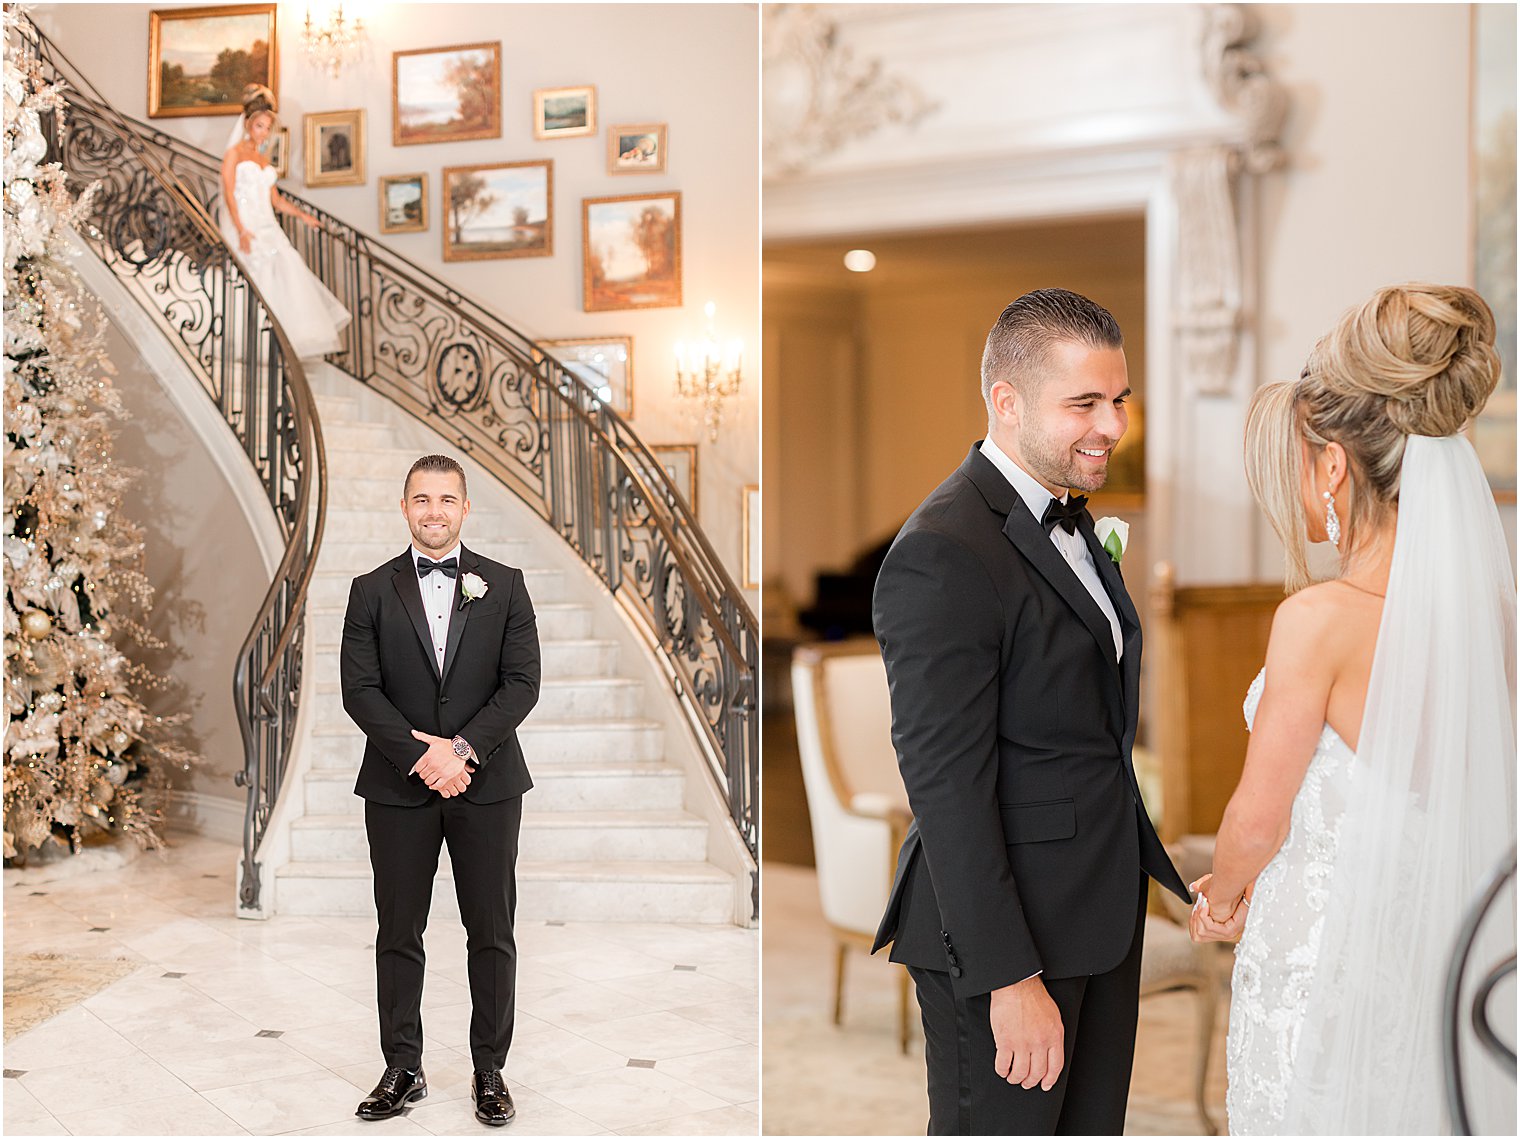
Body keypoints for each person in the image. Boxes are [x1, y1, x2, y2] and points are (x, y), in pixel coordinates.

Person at [1190, 283, 1515, 1135]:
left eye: (1300, 464)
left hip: (1327, 951)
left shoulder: (1319, 622)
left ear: (1335, 463)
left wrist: (1221, 897)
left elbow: (1256, 818)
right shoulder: (1493, 620)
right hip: (1447, 936)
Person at [871, 288, 1191, 1135]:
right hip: (1004, 939)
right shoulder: (942, 551)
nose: (1113, 425)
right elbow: (945, 788)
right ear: (1005, 403)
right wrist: (1009, 979)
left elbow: (1091, 736)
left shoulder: (1073, 518)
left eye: (1118, 398)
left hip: (1097, 914)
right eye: (1084, 402)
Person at [340, 454, 541, 1127]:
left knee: (491, 929)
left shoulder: (505, 585)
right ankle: (404, 1066)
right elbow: (359, 689)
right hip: (399, 787)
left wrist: (460, 751)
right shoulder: (370, 590)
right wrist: (421, 757)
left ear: (465, 508)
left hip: (487, 784)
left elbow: (522, 683)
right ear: (404, 509)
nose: (434, 511)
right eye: (421, 500)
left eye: (446, 499)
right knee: (399, 930)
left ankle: (490, 1070)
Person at [218, 84, 350, 359]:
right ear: (248, 125)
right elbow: (229, 193)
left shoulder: (263, 159)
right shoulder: (234, 155)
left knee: (286, 270)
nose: (263, 132)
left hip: (268, 223)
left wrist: (303, 216)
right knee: (255, 277)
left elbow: (275, 200)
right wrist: (241, 229)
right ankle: (252, 345)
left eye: (267, 128)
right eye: (259, 126)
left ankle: (280, 345)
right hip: (247, 225)